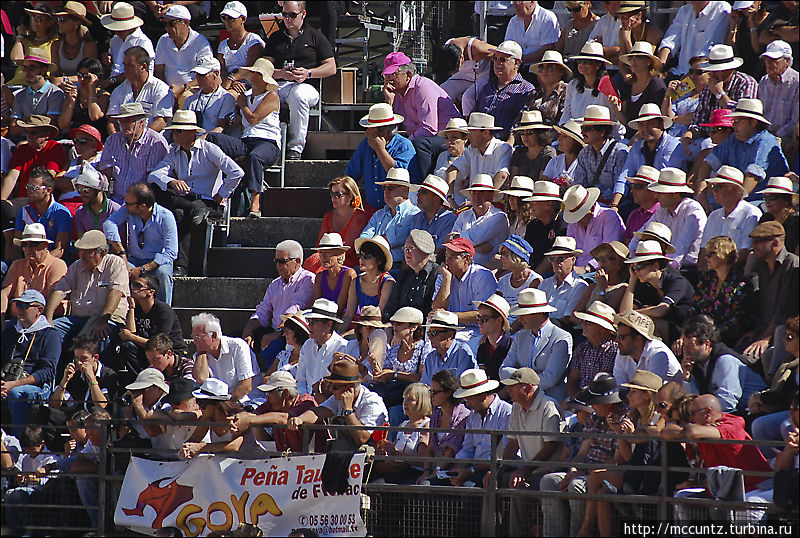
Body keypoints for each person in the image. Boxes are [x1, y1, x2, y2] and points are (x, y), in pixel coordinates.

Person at [148, 110, 244, 275]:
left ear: (191, 132)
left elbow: (237, 172)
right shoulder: (174, 151)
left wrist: (222, 194)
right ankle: (180, 263)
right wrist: (172, 181)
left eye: (178, 131)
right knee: (156, 190)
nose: (174, 134)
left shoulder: (209, 149)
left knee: (180, 213)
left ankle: (182, 266)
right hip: (187, 199)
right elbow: (154, 175)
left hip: (207, 200)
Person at [579, 369, 664, 537]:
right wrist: (618, 431)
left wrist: (631, 436)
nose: (628, 396)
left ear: (648, 395)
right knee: (601, 494)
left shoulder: (658, 417)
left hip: (650, 476)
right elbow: (628, 457)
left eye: (633, 392)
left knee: (596, 476)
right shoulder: (632, 417)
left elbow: (650, 442)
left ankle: (585, 530)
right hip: (633, 470)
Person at [664, 393, 773, 519]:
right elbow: (665, 433)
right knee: (682, 496)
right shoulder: (702, 427)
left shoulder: (732, 424)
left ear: (708, 412)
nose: (691, 418)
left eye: (693, 413)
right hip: (725, 488)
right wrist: (697, 484)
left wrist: (687, 431)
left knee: (745, 509)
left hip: (757, 486)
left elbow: (693, 432)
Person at [539, 372, 621, 537]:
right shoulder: (594, 418)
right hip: (585, 472)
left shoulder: (621, 419)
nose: (591, 405)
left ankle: (578, 534)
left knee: (575, 485)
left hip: (604, 475)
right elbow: (583, 452)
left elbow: (618, 460)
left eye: (596, 402)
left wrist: (583, 473)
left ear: (609, 404)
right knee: (549, 481)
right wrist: (574, 470)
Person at [205, 58, 281, 218]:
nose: (252, 75)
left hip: (268, 143)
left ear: (261, 76)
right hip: (247, 140)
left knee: (254, 157)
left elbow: (253, 118)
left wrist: (242, 103)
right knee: (212, 138)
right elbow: (242, 120)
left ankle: (256, 201)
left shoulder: (271, 96)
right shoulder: (246, 95)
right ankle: (217, 186)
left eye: (255, 73)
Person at [264, 0, 337, 160]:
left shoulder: (315, 36)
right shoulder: (275, 37)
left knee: (299, 96)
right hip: (281, 83)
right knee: (259, 94)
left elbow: (331, 67)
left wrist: (308, 73)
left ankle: (295, 148)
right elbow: (264, 68)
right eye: (284, 15)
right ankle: (267, 143)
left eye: (292, 15)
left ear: (303, 14)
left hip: (307, 85)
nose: (287, 19)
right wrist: (280, 73)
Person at [45, 230, 129, 352]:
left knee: (102, 334)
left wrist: (103, 319)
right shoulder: (76, 266)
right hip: (78, 319)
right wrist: (48, 318)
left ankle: (99, 370)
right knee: (51, 332)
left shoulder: (115, 263)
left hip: (107, 318)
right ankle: (55, 369)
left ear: (102, 253)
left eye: (87, 252)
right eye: (80, 251)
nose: (81, 256)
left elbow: (116, 292)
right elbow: (59, 290)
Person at [381, 52, 459, 177]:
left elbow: (429, 128)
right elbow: (393, 127)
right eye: (386, 75)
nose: (388, 79)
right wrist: (390, 103)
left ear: (408, 75)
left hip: (447, 136)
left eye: (393, 74)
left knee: (419, 144)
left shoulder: (423, 88)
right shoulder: (396, 93)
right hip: (423, 137)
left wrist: (406, 143)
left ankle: (424, 183)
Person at [243, 239, 314, 370]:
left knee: (271, 347)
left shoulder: (307, 280)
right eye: (276, 261)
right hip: (277, 329)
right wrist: (249, 329)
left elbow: (295, 308)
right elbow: (263, 311)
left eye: (283, 261)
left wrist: (277, 333)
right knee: (240, 341)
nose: (278, 265)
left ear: (297, 261)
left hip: (295, 332)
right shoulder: (275, 284)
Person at [103, 183, 178, 304]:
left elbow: (171, 252)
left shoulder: (166, 217)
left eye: (129, 204)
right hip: (135, 260)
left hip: (157, 262)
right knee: (119, 270)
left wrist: (144, 269)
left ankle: (165, 310)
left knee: (163, 274)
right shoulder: (129, 209)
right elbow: (109, 224)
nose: (125, 206)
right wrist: (122, 253)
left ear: (143, 206)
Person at [700, 98, 789, 198]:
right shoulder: (734, 138)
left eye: (738, 121)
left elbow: (753, 176)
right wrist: (701, 193)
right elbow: (708, 163)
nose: (733, 125)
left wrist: (736, 204)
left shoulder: (766, 141)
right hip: (740, 197)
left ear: (753, 122)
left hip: (764, 201)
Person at [288, 358, 388, 446]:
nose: (331, 390)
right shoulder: (338, 397)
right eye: (331, 385)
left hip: (372, 453)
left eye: (335, 387)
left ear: (350, 388)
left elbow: (362, 438)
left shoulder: (372, 403)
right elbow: (318, 412)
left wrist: (348, 410)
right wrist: (299, 419)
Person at [678, 315, 766, 413]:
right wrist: (687, 378)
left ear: (706, 344)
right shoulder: (697, 364)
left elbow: (728, 402)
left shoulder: (725, 360)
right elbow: (693, 400)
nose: (686, 350)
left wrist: (699, 413)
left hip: (752, 410)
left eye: (690, 345)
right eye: (684, 345)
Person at [0, 290, 60, 435]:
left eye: (24, 306)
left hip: (34, 387)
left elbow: (48, 372)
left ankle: (18, 443)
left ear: (39, 310)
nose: (19, 309)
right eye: (17, 305)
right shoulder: (10, 330)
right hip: (6, 381)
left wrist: (13, 384)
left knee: (16, 394)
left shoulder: (50, 335)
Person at [438, 369, 511, 488]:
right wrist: (459, 467)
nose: (467, 403)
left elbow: (503, 454)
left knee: (468, 487)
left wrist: (470, 470)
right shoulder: (473, 416)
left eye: (469, 399)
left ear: (483, 397)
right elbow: (468, 447)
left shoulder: (506, 413)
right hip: (475, 468)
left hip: (498, 468)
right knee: (438, 484)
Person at [501, 288, 572, 402]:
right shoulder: (520, 337)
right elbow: (503, 370)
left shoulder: (561, 337)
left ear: (539, 313)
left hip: (549, 400)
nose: (520, 319)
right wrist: (529, 375)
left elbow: (550, 379)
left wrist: (519, 375)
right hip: (522, 399)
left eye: (524, 314)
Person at [742, 222, 799, 364]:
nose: (754, 245)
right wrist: (754, 332)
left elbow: (784, 309)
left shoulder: (793, 265)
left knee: (747, 360)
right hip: (762, 331)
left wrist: (765, 338)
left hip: (782, 336)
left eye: (759, 241)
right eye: (753, 241)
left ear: (774, 243)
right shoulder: (761, 268)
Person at [345, 103, 419, 210]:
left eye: (370, 129)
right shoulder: (365, 145)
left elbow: (396, 176)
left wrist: (380, 150)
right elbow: (351, 174)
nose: (366, 133)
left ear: (383, 133)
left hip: (399, 210)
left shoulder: (404, 146)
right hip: (372, 209)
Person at [629, 168, 707, 268]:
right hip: (670, 267)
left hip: (688, 269)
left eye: (661, 192)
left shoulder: (692, 211)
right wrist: (632, 259)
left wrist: (664, 273)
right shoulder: (662, 210)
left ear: (674, 193)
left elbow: (681, 249)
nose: (657, 195)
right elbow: (641, 234)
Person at [613, 104, 686, 209]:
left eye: (650, 124)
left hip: (666, 202)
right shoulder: (636, 148)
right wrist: (614, 205)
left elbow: (664, 181)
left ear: (661, 125)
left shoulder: (673, 146)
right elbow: (624, 176)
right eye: (642, 125)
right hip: (642, 200)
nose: (645, 129)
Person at [684, 44, 758, 147]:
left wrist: (720, 93)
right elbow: (699, 119)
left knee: (707, 145)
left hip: (736, 137)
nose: (713, 74)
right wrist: (690, 134)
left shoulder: (746, 83)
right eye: (712, 70)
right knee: (686, 146)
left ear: (729, 69)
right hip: (710, 135)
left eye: (717, 70)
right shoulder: (708, 86)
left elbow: (743, 115)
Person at [118, 274, 187, 383]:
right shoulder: (137, 308)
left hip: (168, 352)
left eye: (138, 285)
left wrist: (131, 337)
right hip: (148, 350)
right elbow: (130, 333)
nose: (133, 288)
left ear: (151, 292)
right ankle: (139, 381)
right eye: (132, 285)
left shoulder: (163, 311)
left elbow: (158, 344)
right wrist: (131, 307)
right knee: (127, 346)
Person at [621, 240, 694, 341]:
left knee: (645, 321)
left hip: (687, 332)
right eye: (634, 267)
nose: (636, 271)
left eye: (640, 266)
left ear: (656, 266)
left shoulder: (677, 281)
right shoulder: (646, 285)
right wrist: (632, 281)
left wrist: (634, 314)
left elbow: (661, 310)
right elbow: (624, 312)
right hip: (667, 329)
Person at [97, 102, 170, 204]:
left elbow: (153, 182)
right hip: (115, 200)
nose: (123, 124)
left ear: (141, 122)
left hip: (141, 202)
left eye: (128, 120)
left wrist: (132, 202)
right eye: (120, 121)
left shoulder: (155, 142)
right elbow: (106, 173)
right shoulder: (112, 140)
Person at [230, 371, 319, 453]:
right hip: (288, 463)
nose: (267, 397)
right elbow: (255, 414)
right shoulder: (273, 403)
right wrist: (240, 418)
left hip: (315, 463)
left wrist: (248, 420)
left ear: (285, 393)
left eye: (270, 393)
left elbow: (283, 417)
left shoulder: (306, 402)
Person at [431, 237, 498, 347]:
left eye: (453, 257)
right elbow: (438, 308)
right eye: (446, 256)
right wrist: (447, 279)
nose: (447, 261)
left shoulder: (481, 276)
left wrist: (450, 316)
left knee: (453, 344)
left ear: (466, 259)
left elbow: (483, 314)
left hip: (477, 331)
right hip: (450, 329)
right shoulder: (444, 276)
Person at [1, 223, 67, 322]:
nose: (28, 249)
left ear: (45, 246)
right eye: (24, 245)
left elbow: (51, 301)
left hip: (43, 319)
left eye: (33, 244)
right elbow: (4, 293)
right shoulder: (17, 265)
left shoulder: (57, 265)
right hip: (17, 319)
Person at [445, 112, 512, 207]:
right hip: (473, 205)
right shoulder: (472, 150)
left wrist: (479, 200)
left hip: (495, 206)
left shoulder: (502, 148)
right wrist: (450, 197)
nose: (468, 136)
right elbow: (451, 170)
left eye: (471, 132)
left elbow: (502, 175)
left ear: (485, 132)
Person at [417, 369, 471, 484]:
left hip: (452, 470)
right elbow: (430, 447)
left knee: (424, 485)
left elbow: (450, 452)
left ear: (449, 392)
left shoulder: (463, 416)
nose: (431, 396)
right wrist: (426, 471)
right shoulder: (436, 415)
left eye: (435, 392)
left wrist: (433, 474)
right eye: (430, 392)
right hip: (434, 468)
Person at [473, 41, 535, 139]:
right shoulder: (488, 87)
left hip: (505, 144)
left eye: (503, 59)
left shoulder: (525, 90)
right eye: (495, 58)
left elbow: (522, 124)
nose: (497, 63)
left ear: (516, 63)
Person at [190, 312, 257, 403]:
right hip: (217, 402)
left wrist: (227, 404)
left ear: (213, 335)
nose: (195, 341)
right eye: (193, 337)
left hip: (245, 399)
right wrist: (201, 353)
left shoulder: (237, 346)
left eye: (198, 337)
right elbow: (201, 379)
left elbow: (246, 386)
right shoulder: (200, 356)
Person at [373, 382, 432, 484]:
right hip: (398, 469)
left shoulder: (426, 425)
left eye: (410, 399)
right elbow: (394, 451)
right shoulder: (403, 424)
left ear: (422, 402)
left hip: (414, 472)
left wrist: (397, 454)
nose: (405, 402)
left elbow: (423, 459)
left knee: (379, 484)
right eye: (404, 398)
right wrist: (387, 448)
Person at [359, 167, 421, 263]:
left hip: (398, 267)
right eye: (385, 187)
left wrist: (371, 246)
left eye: (391, 188)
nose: (386, 192)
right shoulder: (378, 215)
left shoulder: (414, 214)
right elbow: (363, 240)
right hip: (374, 265)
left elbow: (390, 240)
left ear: (405, 189)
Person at [107, 46, 175, 133]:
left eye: (130, 66)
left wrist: (141, 138)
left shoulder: (161, 89)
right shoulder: (118, 91)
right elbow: (112, 121)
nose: (125, 69)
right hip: (123, 142)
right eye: (124, 65)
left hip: (152, 142)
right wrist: (118, 141)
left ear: (143, 66)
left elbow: (162, 121)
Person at [153, 5, 213, 104]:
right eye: (165, 23)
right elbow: (159, 72)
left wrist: (183, 87)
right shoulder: (163, 40)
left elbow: (206, 76)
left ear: (185, 23)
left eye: (171, 23)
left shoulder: (200, 42)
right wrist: (165, 89)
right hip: (169, 89)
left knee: (185, 98)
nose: (167, 28)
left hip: (192, 89)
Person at [701, 166, 762, 262]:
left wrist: (723, 271)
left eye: (718, 187)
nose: (714, 191)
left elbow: (746, 251)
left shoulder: (751, 214)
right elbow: (703, 250)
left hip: (736, 272)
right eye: (713, 186)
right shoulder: (713, 216)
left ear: (736, 189)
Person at [369, 307, 426, 409]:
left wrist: (394, 375)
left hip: (414, 400)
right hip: (393, 396)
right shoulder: (393, 350)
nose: (394, 326)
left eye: (399, 324)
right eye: (393, 323)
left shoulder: (424, 348)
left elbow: (420, 378)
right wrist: (375, 367)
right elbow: (384, 376)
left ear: (413, 327)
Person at [572, 105, 629, 206]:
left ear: (602, 132)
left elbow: (620, 187)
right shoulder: (584, 153)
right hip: (589, 205)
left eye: (587, 128)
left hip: (611, 205)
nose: (582, 132)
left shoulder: (619, 152)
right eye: (582, 127)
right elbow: (579, 184)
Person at [657, 0, 732, 77]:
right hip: (679, 72)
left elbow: (708, 50)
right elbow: (670, 41)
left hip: (703, 75)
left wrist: (690, 75)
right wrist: (659, 68)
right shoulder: (684, 10)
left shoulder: (721, 8)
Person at [450, 175, 510, 268]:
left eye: (482, 193)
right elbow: (452, 244)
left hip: (486, 270)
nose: (477, 197)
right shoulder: (464, 215)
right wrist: (475, 248)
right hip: (461, 268)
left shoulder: (499, 217)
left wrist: (457, 239)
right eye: (474, 193)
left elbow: (475, 237)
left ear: (491, 196)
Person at [48, 335, 118, 414]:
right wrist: (64, 380)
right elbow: (55, 404)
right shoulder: (75, 373)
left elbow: (101, 405)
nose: (79, 362)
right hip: (74, 416)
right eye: (77, 358)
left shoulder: (109, 375)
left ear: (95, 358)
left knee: (95, 411)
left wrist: (92, 378)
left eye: (84, 358)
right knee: (38, 410)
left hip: (96, 419)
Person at [1, 115, 66, 201]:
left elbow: (49, 177)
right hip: (21, 199)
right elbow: (12, 177)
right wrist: (2, 201)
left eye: (33, 132)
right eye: (26, 132)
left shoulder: (55, 148)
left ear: (46, 135)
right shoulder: (21, 149)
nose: (28, 136)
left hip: (41, 199)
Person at [13, 167, 72, 260]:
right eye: (28, 187)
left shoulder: (61, 213)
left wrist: (40, 263)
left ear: (48, 190)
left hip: (52, 263)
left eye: (34, 188)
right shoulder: (24, 211)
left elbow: (60, 249)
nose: (29, 191)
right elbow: (17, 244)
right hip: (28, 261)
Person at [563, 185, 625, 271]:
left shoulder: (609, 217)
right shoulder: (573, 224)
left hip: (601, 271)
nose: (577, 220)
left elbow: (610, 252)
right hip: (575, 270)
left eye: (580, 215)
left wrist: (587, 268)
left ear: (592, 208)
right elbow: (568, 251)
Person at [294, 298, 348, 396]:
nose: (309, 325)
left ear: (329, 325)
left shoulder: (342, 348)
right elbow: (300, 380)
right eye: (308, 320)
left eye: (313, 322)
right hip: (306, 400)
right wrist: (305, 399)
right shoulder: (307, 345)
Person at [612, 310, 682, 384]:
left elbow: (650, 391)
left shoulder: (658, 354)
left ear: (638, 339)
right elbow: (618, 386)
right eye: (616, 336)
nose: (616, 341)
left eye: (621, 337)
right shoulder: (623, 351)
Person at [567, 300, 619, 399]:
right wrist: (576, 399)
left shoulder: (612, 349)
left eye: (588, 323)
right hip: (578, 398)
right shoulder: (581, 348)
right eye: (583, 321)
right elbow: (572, 380)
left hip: (599, 400)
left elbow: (602, 383)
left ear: (602, 328)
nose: (583, 325)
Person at [341, 237, 395, 330]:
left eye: (367, 256)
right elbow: (349, 314)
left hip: (381, 328)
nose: (361, 260)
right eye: (360, 256)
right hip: (362, 327)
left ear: (379, 260)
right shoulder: (356, 281)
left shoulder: (387, 282)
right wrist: (338, 334)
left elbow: (379, 316)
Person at [384, 230, 439, 320]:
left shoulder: (437, 274)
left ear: (425, 251)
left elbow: (432, 310)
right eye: (405, 248)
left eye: (411, 248)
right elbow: (392, 307)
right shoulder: (404, 275)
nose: (407, 252)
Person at [318, 176, 371, 269]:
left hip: (349, 263)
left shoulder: (359, 216)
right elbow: (321, 243)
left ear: (350, 196)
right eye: (331, 194)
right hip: (328, 260)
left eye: (337, 194)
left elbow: (348, 248)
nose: (333, 198)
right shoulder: (328, 216)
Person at [8, 51, 65, 137]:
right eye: (25, 67)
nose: (27, 72)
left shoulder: (55, 93)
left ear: (43, 70)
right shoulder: (20, 96)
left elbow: (51, 126)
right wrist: (40, 121)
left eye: (32, 68)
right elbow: (13, 129)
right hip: (23, 140)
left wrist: (25, 121)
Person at [560, 42, 617, 126]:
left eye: (587, 61)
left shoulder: (608, 85)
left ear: (598, 64)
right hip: (573, 131)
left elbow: (612, 117)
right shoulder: (573, 84)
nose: (582, 64)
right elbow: (566, 114)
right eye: (579, 61)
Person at [538, 237, 590, 324]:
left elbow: (567, 319)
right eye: (552, 259)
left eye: (560, 259)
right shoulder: (544, 284)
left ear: (573, 259)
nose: (556, 262)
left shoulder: (579, 286)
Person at [100, 2, 155, 85]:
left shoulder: (143, 42)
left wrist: (112, 81)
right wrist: (106, 59)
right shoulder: (115, 39)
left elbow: (142, 73)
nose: (116, 32)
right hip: (113, 84)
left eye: (120, 30)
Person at [419, 310, 478, 386]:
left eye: (434, 333)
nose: (429, 337)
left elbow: (460, 386)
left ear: (450, 335)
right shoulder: (430, 358)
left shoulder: (463, 353)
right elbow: (424, 386)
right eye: (428, 333)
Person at [572, 241, 630, 318]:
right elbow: (574, 315)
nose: (601, 262)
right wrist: (585, 323)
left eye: (607, 258)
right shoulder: (592, 286)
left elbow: (603, 316)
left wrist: (601, 289)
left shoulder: (622, 288)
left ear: (619, 264)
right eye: (599, 258)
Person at [662, 56, 709, 148]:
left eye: (699, 72)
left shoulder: (710, 95)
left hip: (692, 139)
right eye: (691, 72)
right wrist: (668, 96)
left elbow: (696, 117)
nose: (693, 76)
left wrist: (674, 119)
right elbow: (666, 116)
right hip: (670, 136)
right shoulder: (684, 92)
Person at [216, 1, 264, 89]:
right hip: (229, 83)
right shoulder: (223, 44)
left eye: (231, 18)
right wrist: (229, 82)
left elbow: (250, 68)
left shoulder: (253, 40)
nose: (227, 21)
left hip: (249, 84)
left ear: (243, 19)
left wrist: (231, 80)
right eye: (224, 18)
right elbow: (221, 70)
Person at [182, 57, 236, 135]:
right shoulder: (190, 100)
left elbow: (221, 127)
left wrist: (202, 140)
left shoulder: (225, 98)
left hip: (212, 142)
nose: (198, 78)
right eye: (197, 74)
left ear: (216, 74)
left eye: (202, 75)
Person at [497, 235, 542, 327]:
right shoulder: (503, 281)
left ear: (516, 257)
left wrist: (509, 331)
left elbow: (529, 313)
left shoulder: (535, 281)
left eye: (505, 254)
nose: (501, 257)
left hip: (523, 328)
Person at [757, 40, 798, 141]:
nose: (768, 63)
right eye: (766, 59)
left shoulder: (796, 83)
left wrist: (775, 137)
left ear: (787, 61)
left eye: (773, 59)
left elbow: (795, 122)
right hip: (763, 136)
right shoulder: (764, 81)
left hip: (786, 138)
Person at [524, 180, 567, 275]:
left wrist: (535, 275)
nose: (530, 204)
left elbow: (555, 253)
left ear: (548, 204)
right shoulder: (533, 225)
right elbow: (525, 252)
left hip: (553, 273)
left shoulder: (562, 221)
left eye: (534, 201)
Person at [407, 175, 457, 252]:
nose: (417, 195)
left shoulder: (449, 219)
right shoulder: (417, 217)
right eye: (418, 191)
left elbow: (441, 253)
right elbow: (408, 248)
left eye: (423, 192)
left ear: (436, 198)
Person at [312, 233, 356, 316]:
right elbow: (316, 304)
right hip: (324, 319)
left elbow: (340, 307)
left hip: (345, 319)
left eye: (328, 252)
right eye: (321, 252)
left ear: (339, 254)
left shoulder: (349, 274)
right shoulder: (319, 276)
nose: (323, 256)